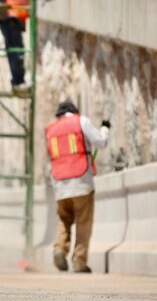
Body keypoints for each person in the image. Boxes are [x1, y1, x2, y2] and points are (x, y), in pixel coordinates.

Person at [45, 100, 110, 274]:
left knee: (64, 220)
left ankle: (59, 250)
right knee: (83, 221)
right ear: (74, 111)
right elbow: (101, 142)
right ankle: (79, 262)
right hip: (81, 182)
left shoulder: (51, 129)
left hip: (60, 184)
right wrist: (105, 128)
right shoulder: (80, 121)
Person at [0, 0, 63, 94]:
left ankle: (17, 82)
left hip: (8, 18)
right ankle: (18, 82)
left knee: (14, 51)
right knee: (17, 52)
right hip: (12, 19)